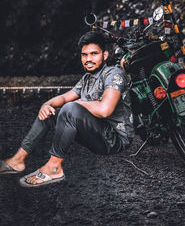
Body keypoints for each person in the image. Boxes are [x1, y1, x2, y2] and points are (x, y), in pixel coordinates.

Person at [0, 31, 134, 187]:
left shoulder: (114, 74)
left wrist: (69, 107)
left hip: (115, 140)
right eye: (84, 55)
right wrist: (46, 104)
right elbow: (64, 97)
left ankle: (54, 167)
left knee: (70, 109)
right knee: (50, 112)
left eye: (94, 54)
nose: (88, 59)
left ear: (105, 55)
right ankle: (18, 160)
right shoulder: (87, 78)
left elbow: (105, 109)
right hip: (97, 133)